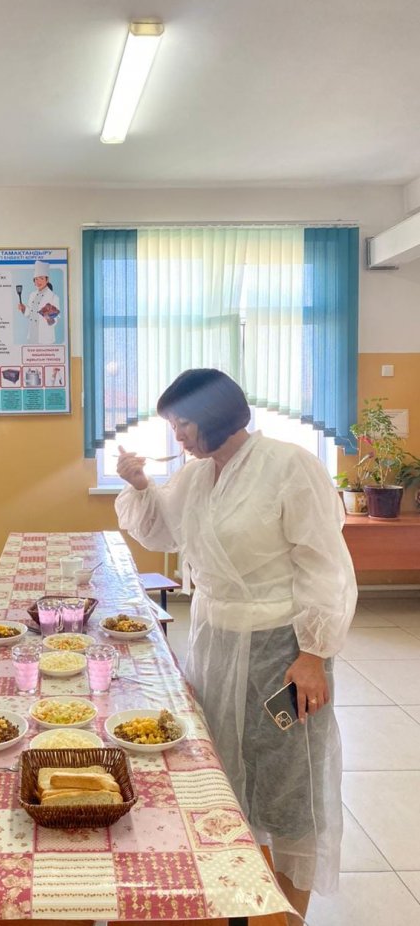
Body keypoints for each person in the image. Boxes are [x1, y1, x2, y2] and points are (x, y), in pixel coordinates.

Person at [115, 368, 356, 925]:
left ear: (216, 414)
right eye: (172, 425)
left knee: (288, 782)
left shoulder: (290, 467)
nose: (177, 436)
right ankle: (236, 895)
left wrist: (314, 654)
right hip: (217, 641)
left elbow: (324, 564)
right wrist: (141, 485)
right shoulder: (199, 476)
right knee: (222, 766)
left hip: (282, 647)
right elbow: (161, 531)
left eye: (183, 423)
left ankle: (289, 912)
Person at [17, 259, 60, 344]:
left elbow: (56, 320)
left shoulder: (53, 297)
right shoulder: (32, 295)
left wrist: (49, 317)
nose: (38, 281)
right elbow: (29, 314)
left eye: (41, 278)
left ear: (47, 280)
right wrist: (23, 309)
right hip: (32, 334)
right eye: (36, 279)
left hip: (45, 337)